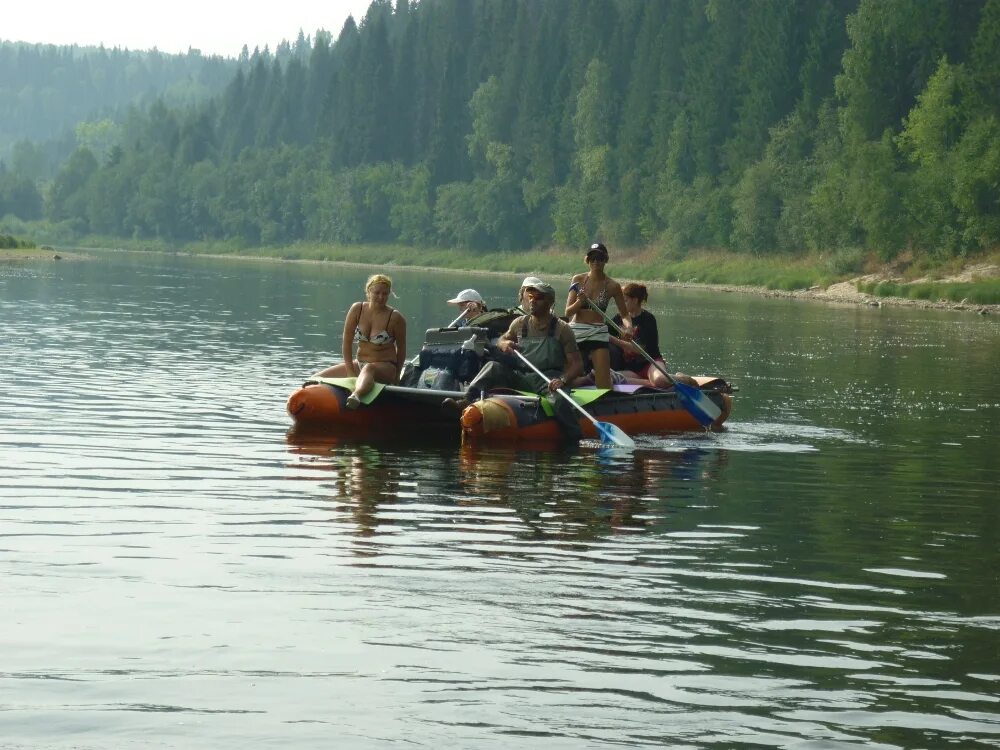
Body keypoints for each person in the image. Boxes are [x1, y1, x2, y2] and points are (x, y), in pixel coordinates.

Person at [445, 277, 584, 437]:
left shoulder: (562, 329)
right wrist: (503, 344)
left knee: (560, 402)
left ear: (550, 302)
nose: (533, 302)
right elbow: (502, 339)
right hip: (522, 377)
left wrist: (563, 380)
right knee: (493, 367)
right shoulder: (519, 323)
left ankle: (575, 438)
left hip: (548, 380)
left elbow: (577, 365)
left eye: (538, 298)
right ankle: (466, 400)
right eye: (530, 297)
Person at [312, 274, 407, 409]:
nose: (381, 297)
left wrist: (397, 377)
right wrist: (350, 371)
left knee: (369, 368)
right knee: (315, 379)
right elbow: (347, 342)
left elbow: (402, 349)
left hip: (385, 367)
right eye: (377, 293)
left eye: (385, 294)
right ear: (369, 292)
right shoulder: (357, 309)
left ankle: (356, 395)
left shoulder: (396, 318)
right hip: (360, 364)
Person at [565, 242, 631, 389]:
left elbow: (625, 314)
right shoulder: (578, 280)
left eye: (600, 258)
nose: (596, 262)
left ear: (605, 260)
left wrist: (628, 328)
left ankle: (611, 379)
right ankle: (586, 380)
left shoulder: (613, 286)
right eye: (592, 258)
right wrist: (579, 302)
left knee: (604, 385)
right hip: (576, 330)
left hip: (598, 332)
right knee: (568, 377)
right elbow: (568, 312)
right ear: (587, 260)